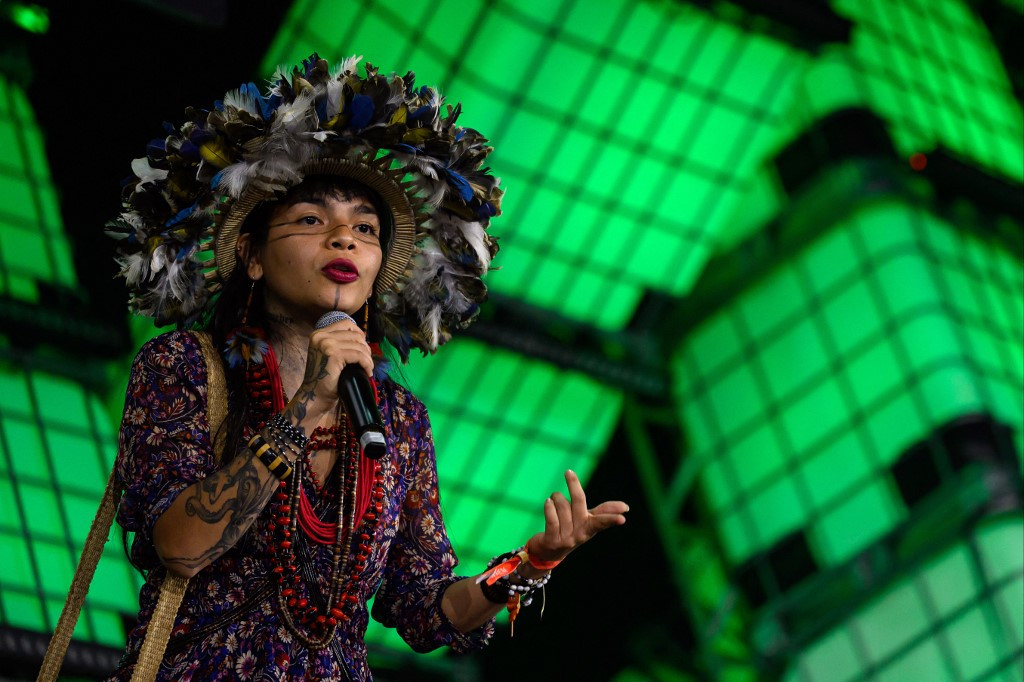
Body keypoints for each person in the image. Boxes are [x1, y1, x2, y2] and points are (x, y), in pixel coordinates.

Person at [104, 54, 628, 680]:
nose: (344, 238)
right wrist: (306, 408)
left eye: (366, 229)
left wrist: (530, 565)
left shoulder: (399, 421)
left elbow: (425, 610)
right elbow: (180, 548)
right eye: (311, 220)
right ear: (251, 256)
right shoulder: (185, 366)